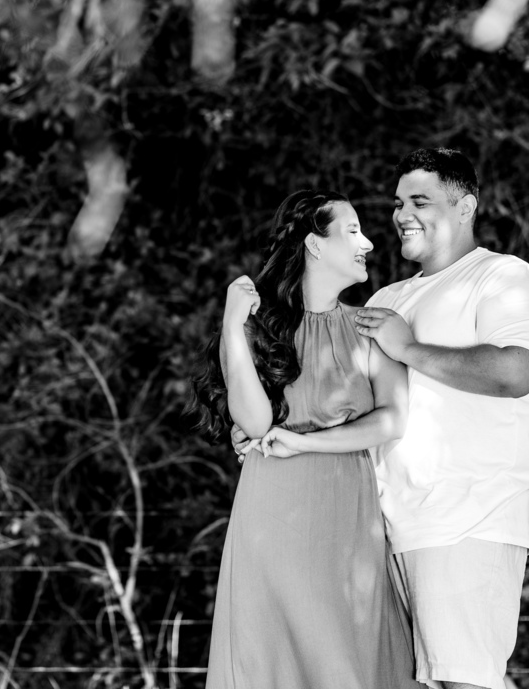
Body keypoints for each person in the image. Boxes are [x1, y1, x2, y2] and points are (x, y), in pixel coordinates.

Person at [190, 189, 421, 689]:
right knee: (273, 654)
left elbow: (393, 421)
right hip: (272, 514)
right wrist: (232, 326)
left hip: (347, 515)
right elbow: (252, 425)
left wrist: (307, 443)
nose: (369, 243)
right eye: (352, 230)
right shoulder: (260, 329)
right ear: (315, 245)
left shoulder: (369, 329)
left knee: (348, 655)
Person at [349, 149, 529, 689]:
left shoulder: (502, 276)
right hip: (387, 528)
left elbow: (515, 372)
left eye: (420, 200)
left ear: (465, 207)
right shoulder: (387, 298)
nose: (401, 214)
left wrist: (410, 348)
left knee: (467, 682)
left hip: (470, 518)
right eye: (397, 203)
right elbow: (347, 401)